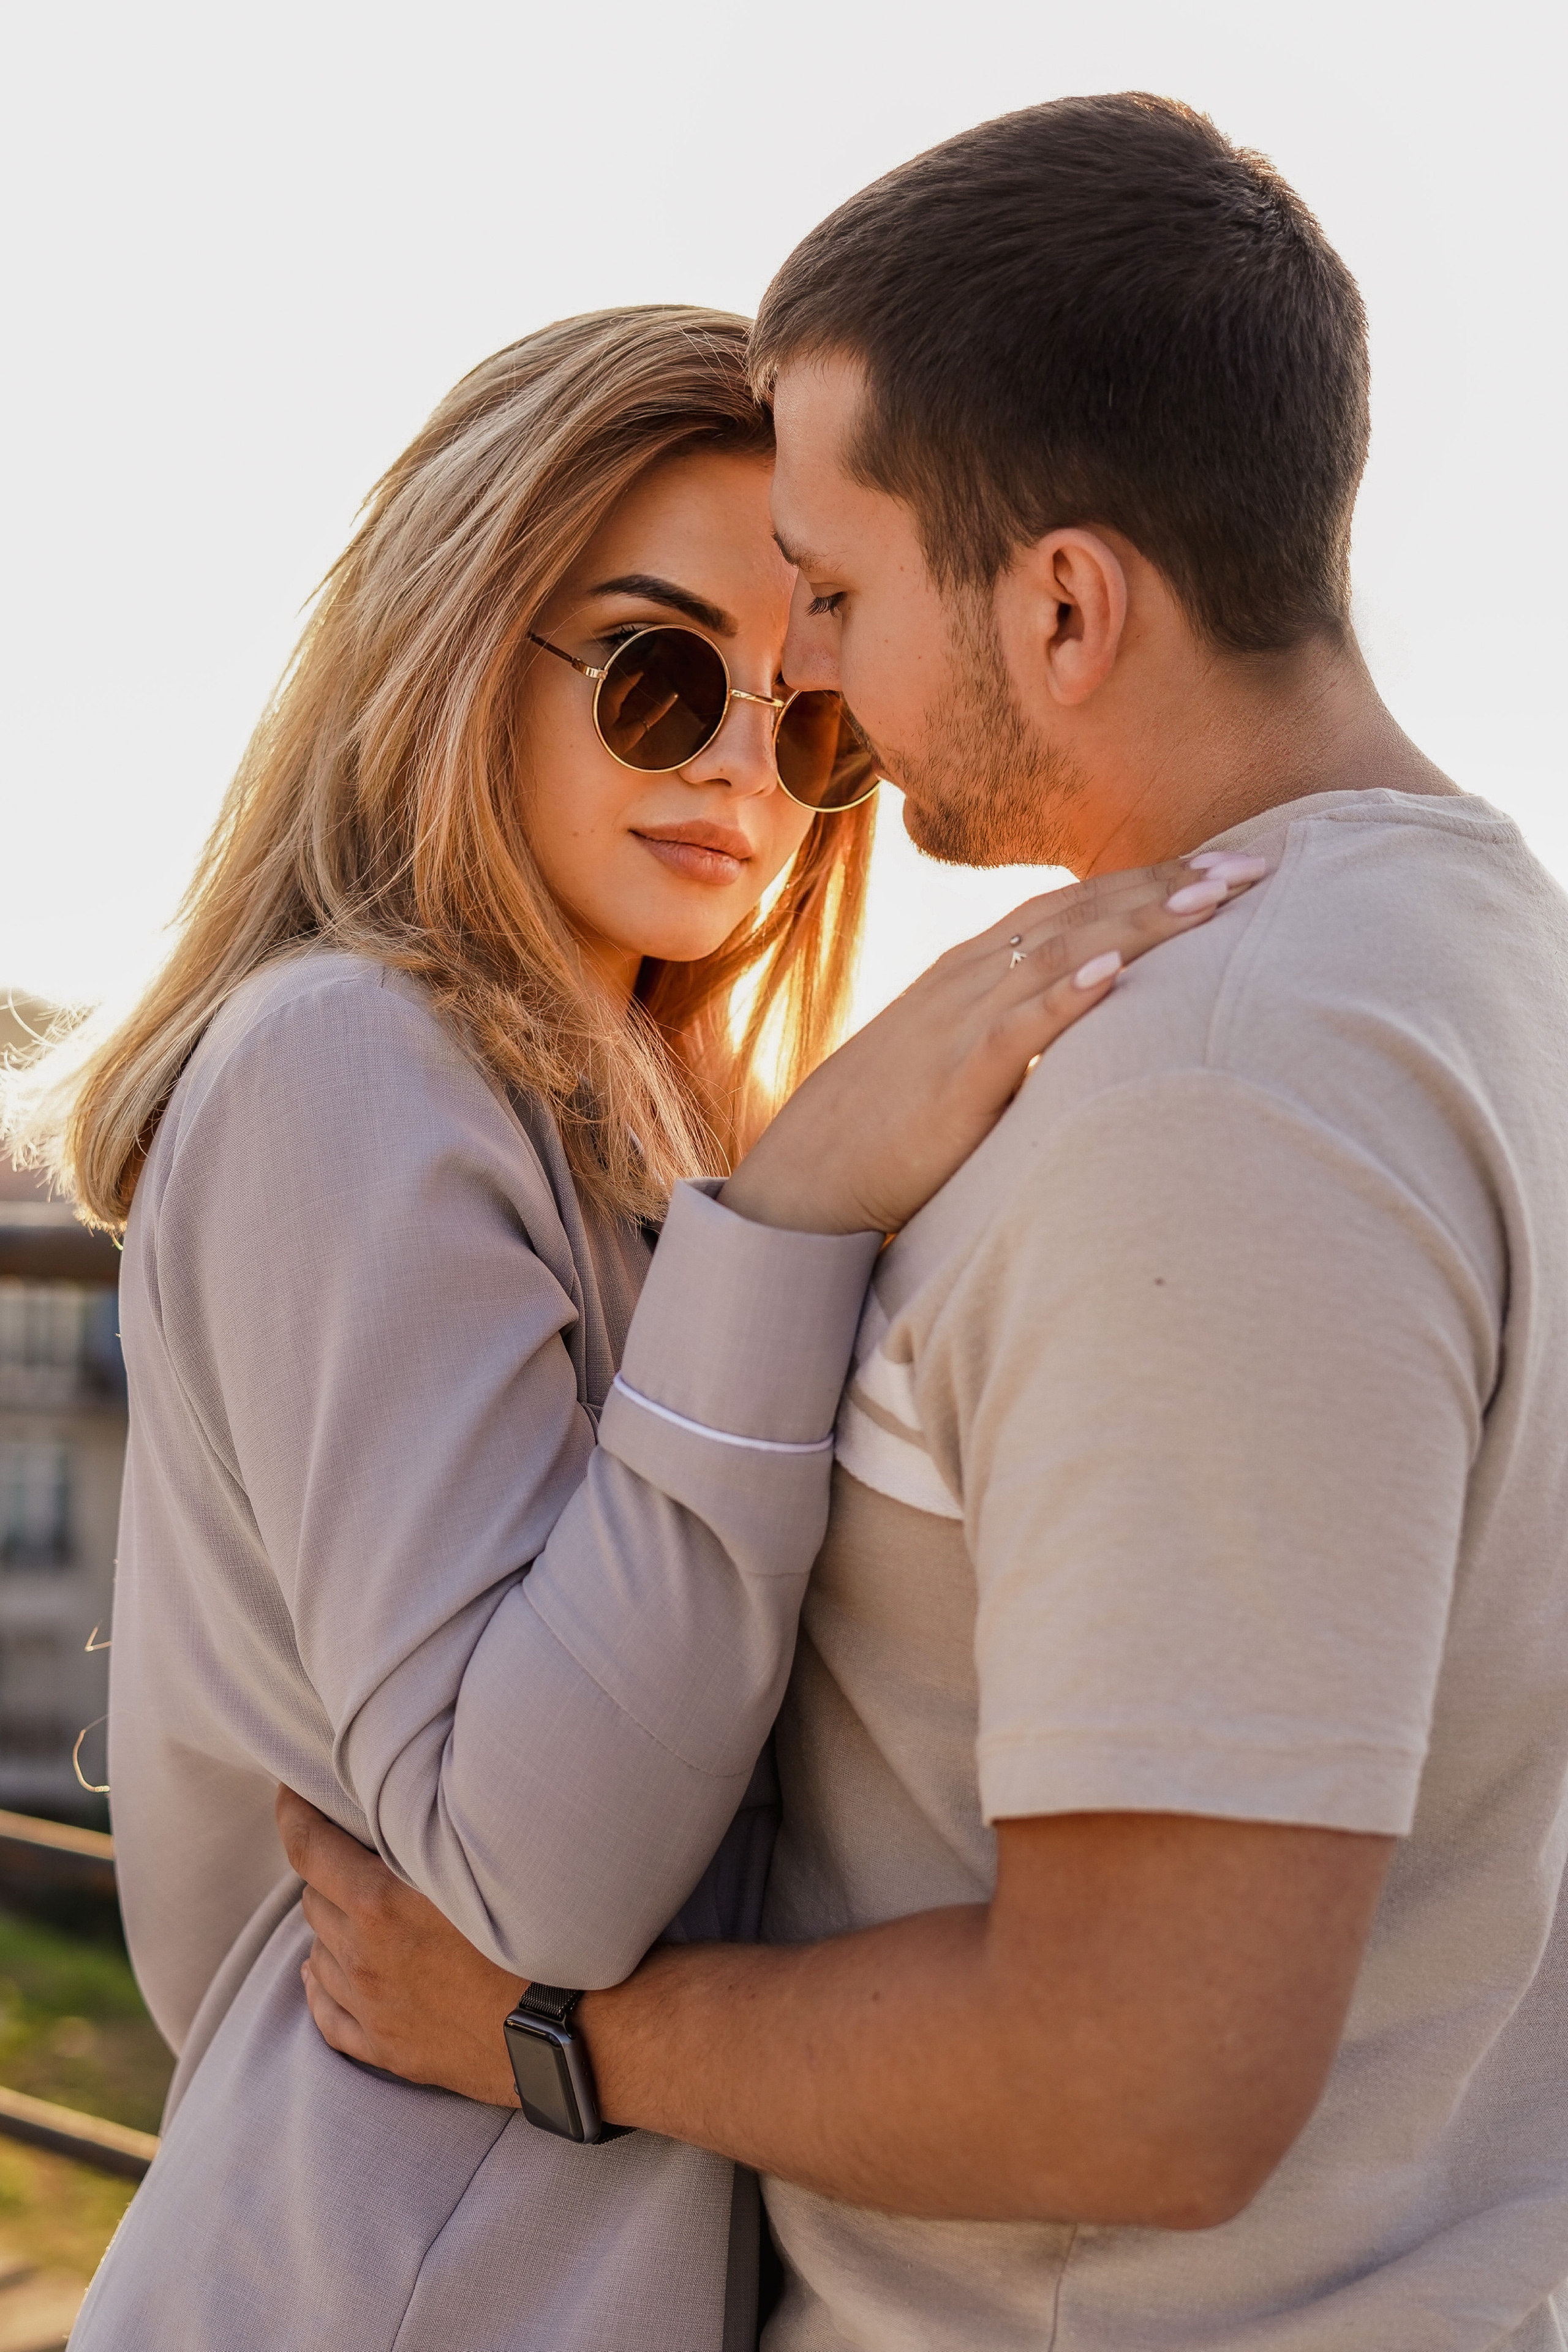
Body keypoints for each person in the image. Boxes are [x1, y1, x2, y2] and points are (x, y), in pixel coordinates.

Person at [287, 96, 1568, 2352]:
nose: (815, 712)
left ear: (1065, 602)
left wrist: (550, 2034)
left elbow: (1144, 2076)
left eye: (841, 605)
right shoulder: (1484, 969)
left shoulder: (1227, 1092)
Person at [6, 305, 1242, 2351]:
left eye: (812, 714)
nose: (748, 772)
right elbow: (536, 1868)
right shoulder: (349, 1063)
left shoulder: (626, 1116)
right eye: (663, 678)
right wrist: (799, 1209)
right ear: (458, 640)